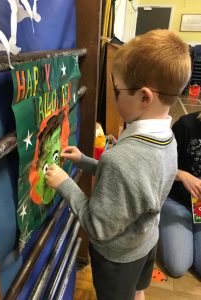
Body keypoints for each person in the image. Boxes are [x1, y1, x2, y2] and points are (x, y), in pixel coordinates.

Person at [45, 29, 191, 300]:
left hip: (117, 259)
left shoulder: (122, 158)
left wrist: (64, 184)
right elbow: (135, 184)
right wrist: (85, 162)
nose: (115, 97)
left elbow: (97, 226)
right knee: (138, 291)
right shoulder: (167, 138)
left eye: (117, 90)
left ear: (144, 97)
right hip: (147, 241)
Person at [159, 111, 201, 278]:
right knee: (177, 267)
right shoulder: (185, 125)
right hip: (176, 201)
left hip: (198, 206)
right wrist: (183, 175)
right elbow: (160, 164)